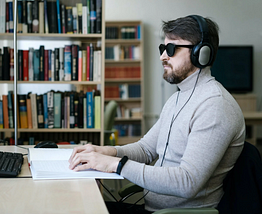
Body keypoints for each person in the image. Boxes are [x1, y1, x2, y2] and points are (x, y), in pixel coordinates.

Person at [69, 15, 246, 213]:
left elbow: (187, 182)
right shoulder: (177, 98)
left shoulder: (215, 106)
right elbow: (146, 150)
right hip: (153, 209)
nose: (163, 56)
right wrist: (108, 152)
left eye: (171, 49)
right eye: (163, 48)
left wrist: (116, 164)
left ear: (200, 53)